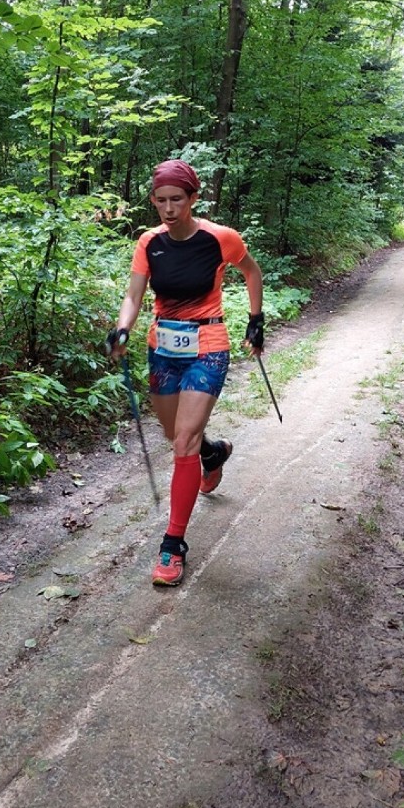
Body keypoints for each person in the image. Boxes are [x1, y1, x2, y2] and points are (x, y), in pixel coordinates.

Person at [106, 158, 264, 587]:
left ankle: (173, 544)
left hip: (208, 345)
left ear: (193, 199)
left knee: (183, 441)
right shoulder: (149, 242)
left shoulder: (220, 238)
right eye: (161, 200)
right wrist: (123, 328)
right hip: (163, 348)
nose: (169, 208)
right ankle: (212, 454)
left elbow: (251, 271)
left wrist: (255, 318)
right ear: (154, 201)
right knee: (174, 435)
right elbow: (134, 295)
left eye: (178, 199)